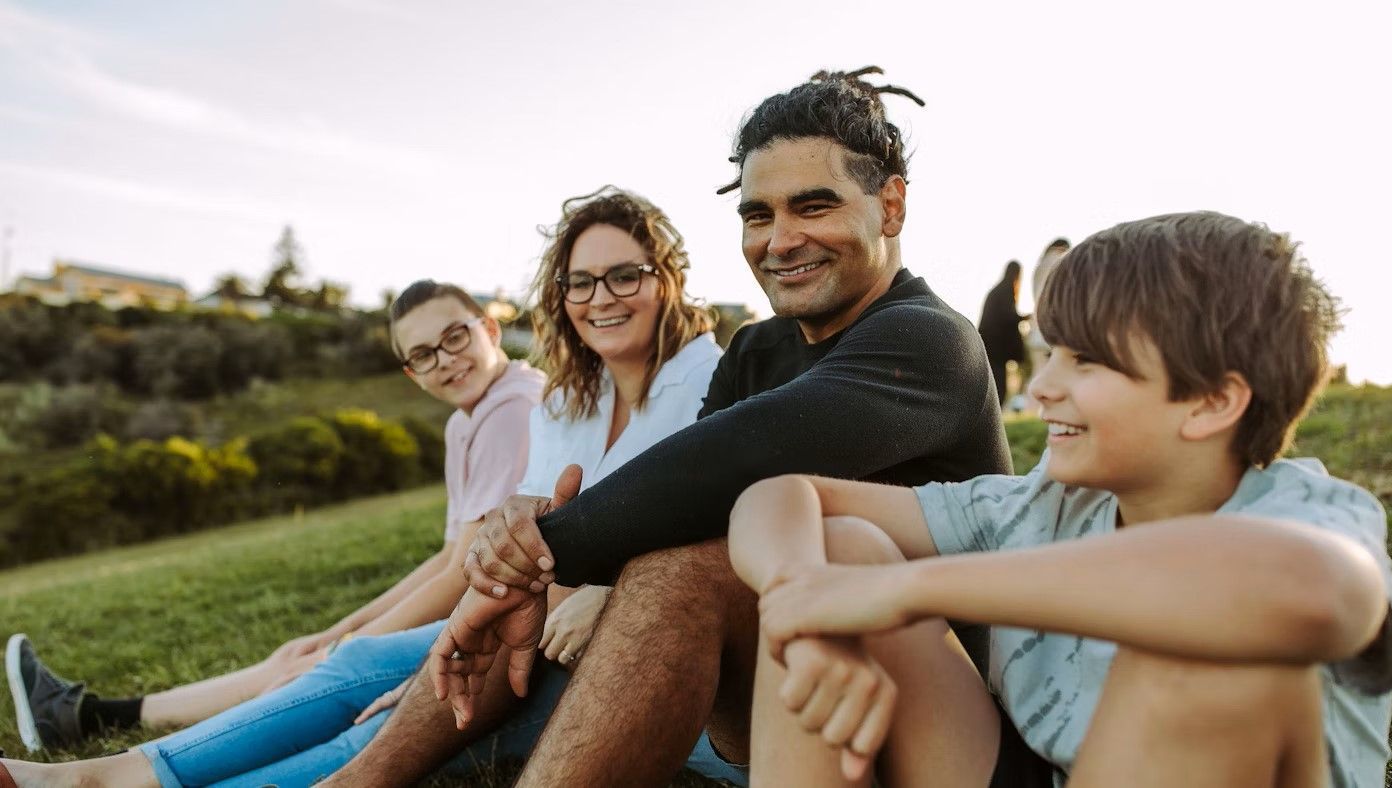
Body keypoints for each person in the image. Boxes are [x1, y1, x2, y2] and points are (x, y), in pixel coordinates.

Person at [326, 66, 1020, 788]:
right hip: (798, 696)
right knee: (648, 556)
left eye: (813, 207)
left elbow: (730, 460)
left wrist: (535, 549)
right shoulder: (758, 348)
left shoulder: (930, 341)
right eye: (758, 216)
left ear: (891, 206)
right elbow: (681, 495)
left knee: (680, 566)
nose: (780, 241)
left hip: (948, 726)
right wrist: (529, 561)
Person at [1, 189, 733, 787]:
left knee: (397, 706)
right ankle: (100, 774)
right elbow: (504, 557)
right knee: (364, 669)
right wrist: (383, 642)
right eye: (580, 280)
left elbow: (712, 543)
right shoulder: (570, 403)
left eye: (625, 274)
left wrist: (431, 658)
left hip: (641, 660)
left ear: (665, 277)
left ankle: (99, 773)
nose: (600, 296)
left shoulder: (714, 382)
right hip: (528, 633)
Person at [728, 211, 1392, 787]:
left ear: (1212, 401)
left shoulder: (1314, 517)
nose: (1043, 386)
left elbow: (1320, 590)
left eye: (1086, 361)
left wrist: (907, 590)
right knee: (842, 550)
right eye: (1050, 352)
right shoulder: (1045, 504)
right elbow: (782, 495)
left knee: (1205, 653)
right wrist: (804, 597)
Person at [5, 280, 541, 753]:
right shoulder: (469, 420)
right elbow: (450, 556)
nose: (445, 359)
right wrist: (339, 629)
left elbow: (458, 579)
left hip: (509, 630)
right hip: (483, 607)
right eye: (424, 354)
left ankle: (101, 727)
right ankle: (89, 715)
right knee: (298, 656)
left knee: (306, 670)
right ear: (410, 372)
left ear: (490, 329)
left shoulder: (509, 410)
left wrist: (344, 648)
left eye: (455, 337)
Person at [976, 260, 1026, 406]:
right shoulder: (1005, 291)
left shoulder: (998, 290)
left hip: (990, 345)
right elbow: (1008, 317)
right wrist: (1024, 318)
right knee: (998, 384)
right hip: (995, 348)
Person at [1024, 237, 1070, 375]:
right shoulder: (1059, 260)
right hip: (1049, 330)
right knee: (1046, 375)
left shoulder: (1040, 265)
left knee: (1037, 373)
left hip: (1036, 329)